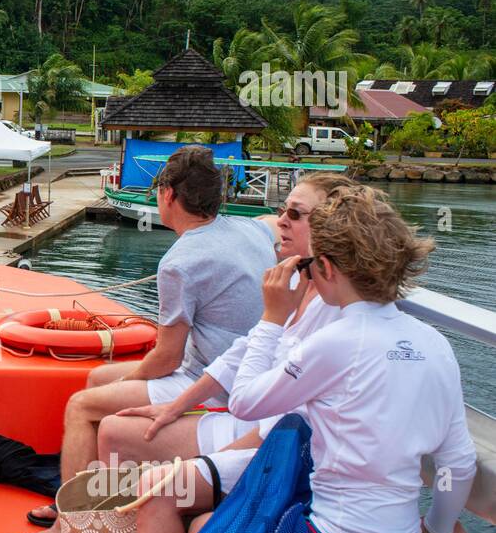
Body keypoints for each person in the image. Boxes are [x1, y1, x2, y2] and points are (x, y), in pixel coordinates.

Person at [129, 187, 476, 533]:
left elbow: (246, 403)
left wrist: (273, 319)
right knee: (208, 529)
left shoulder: (337, 342)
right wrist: (437, 526)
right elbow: (458, 463)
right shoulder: (435, 344)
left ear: (327, 269)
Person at [1, 146, 277, 533]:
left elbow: (166, 359)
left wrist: (127, 386)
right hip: (239, 370)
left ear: (168, 196)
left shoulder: (180, 262)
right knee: (98, 380)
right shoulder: (251, 230)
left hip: (214, 383)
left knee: (82, 405)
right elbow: (272, 225)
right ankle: (76, 497)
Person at [97, 174, 359, 475]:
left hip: (277, 439)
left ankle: (104, 517)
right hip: (253, 418)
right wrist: (175, 407)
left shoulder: (333, 308)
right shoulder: (298, 279)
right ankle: (101, 513)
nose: (282, 221)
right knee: (112, 417)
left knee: (114, 433)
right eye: (282, 211)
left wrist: (209, 464)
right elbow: (240, 353)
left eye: (295, 214)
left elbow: (271, 412)